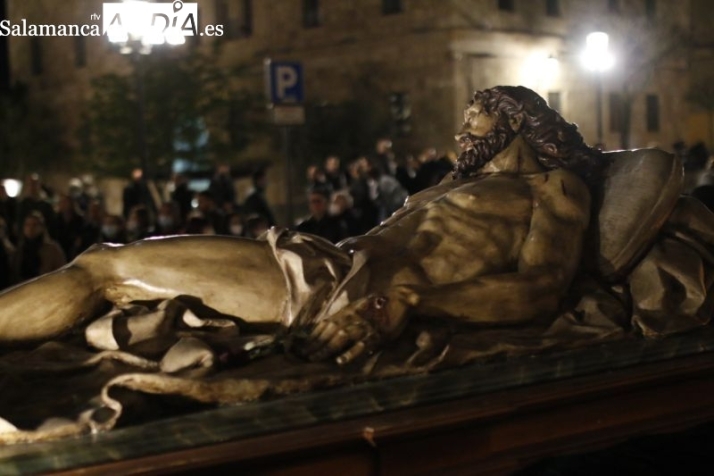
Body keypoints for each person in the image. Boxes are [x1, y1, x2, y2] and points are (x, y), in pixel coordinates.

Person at [0, 86, 603, 366]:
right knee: (106, 294)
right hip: (324, 260)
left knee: (108, 267)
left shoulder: (553, 190)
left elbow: (542, 286)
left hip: (334, 291)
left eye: (472, 119)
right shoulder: (453, 187)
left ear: (512, 123)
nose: (459, 132)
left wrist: (408, 299)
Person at [10, 212, 66, 284]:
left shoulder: (52, 249)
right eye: (27, 225)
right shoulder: (20, 250)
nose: (30, 228)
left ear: (42, 227)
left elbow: (62, 272)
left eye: (35, 225)